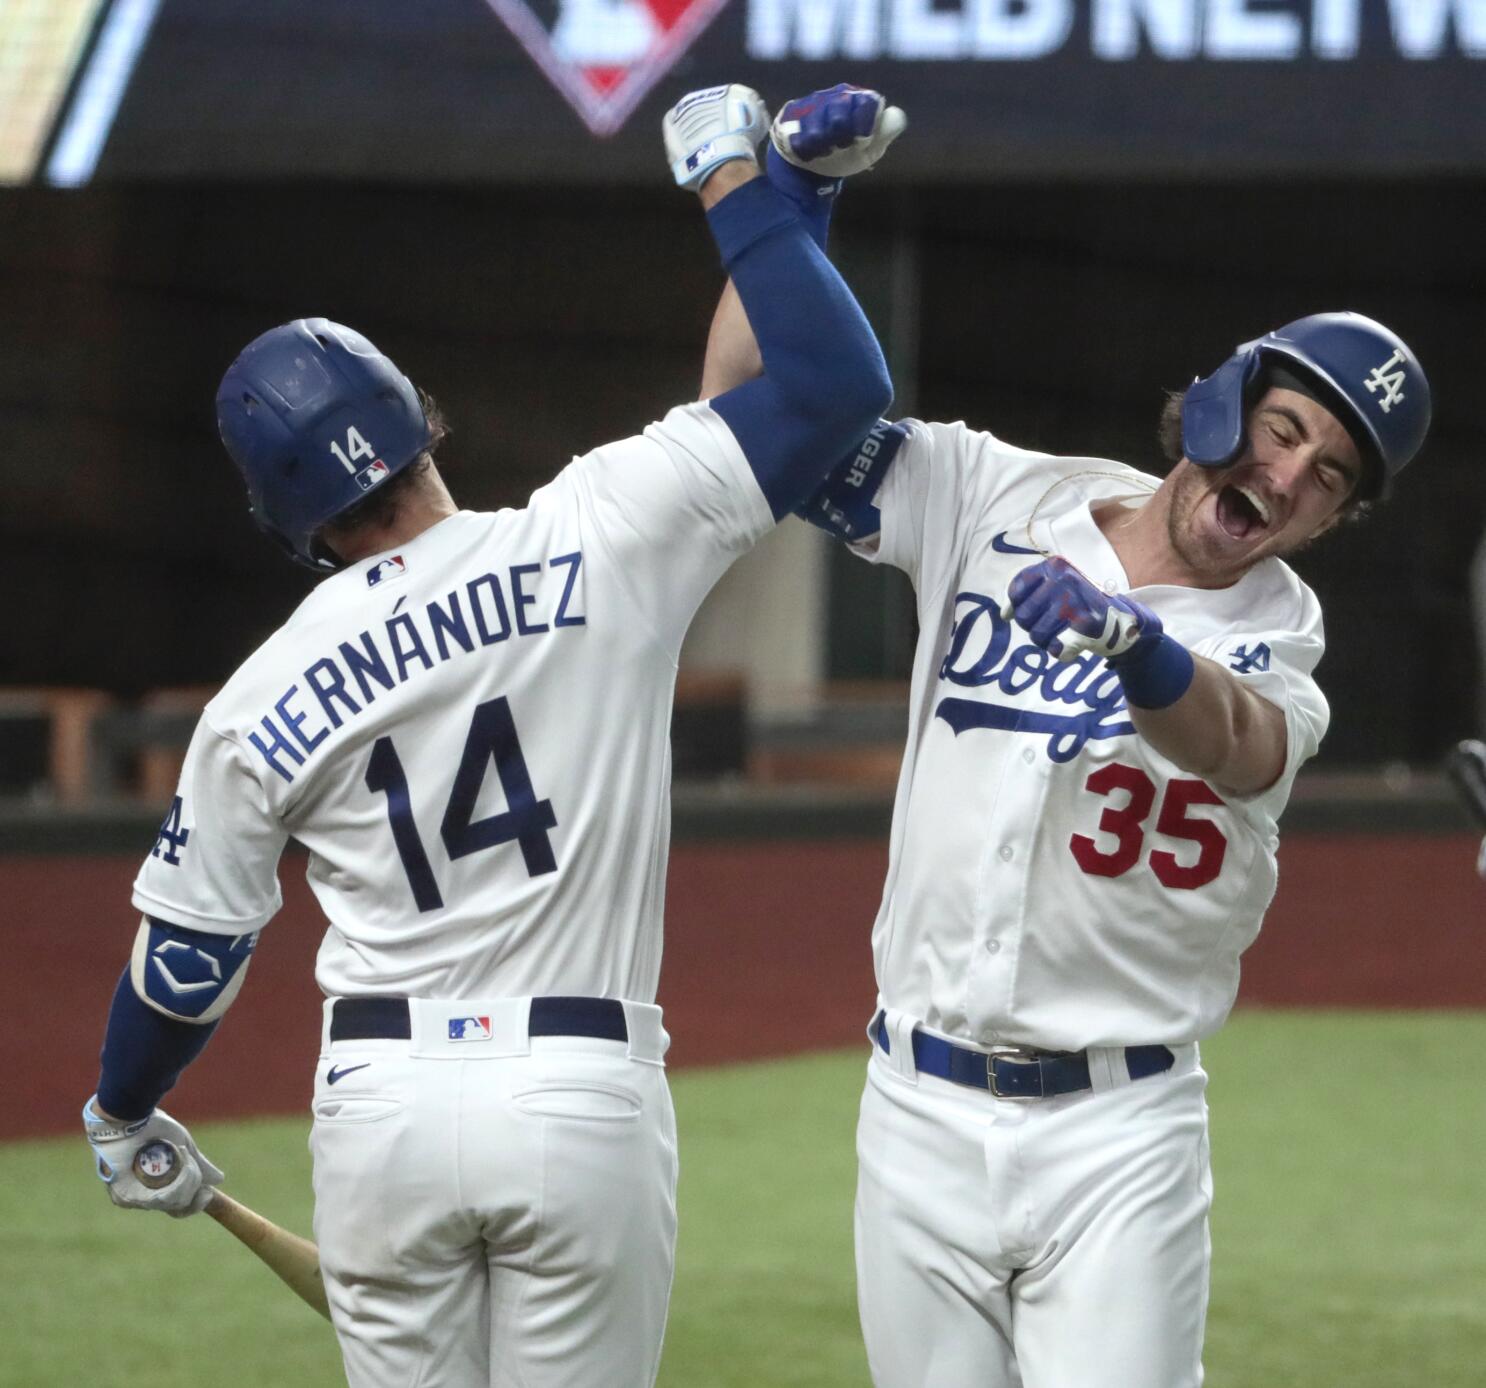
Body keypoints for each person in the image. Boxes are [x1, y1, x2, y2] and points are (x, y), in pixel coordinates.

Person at [80, 84, 892, 1388]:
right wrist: (753, 189)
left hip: (382, 1110)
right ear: (419, 415)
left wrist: (123, 1107)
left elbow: (186, 966)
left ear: (285, 519)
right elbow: (828, 380)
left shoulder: (255, 695)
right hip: (577, 1091)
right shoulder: (599, 526)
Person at [707, 100, 1431, 1387]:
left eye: (1326, 475)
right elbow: (743, 419)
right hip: (915, 1107)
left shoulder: (1284, 639)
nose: (1287, 475)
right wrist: (791, 205)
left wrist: (1134, 644)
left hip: (1118, 1130)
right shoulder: (994, 492)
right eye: (1284, 428)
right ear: (1224, 398)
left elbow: (1235, 739)